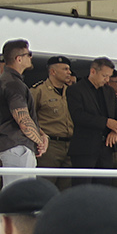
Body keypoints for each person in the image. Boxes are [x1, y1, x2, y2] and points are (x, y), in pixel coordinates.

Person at [0, 40, 46, 185]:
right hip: (17, 147)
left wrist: (41, 134)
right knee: (18, 197)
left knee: (24, 197)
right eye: (29, 54)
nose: (31, 57)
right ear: (19, 59)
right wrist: (39, 141)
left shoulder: (11, 81)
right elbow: (23, 120)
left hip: (18, 146)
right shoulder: (12, 83)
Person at [66, 57, 117, 172]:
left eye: (109, 76)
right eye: (104, 76)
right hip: (85, 148)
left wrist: (116, 130)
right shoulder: (76, 90)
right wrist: (106, 122)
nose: (107, 80)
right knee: (84, 187)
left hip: (106, 148)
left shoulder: (108, 91)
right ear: (93, 71)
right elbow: (78, 115)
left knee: (104, 187)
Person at [32, 56, 76, 186]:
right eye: (65, 69)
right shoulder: (38, 90)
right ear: (53, 72)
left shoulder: (72, 92)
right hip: (50, 146)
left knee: (66, 187)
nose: (69, 72)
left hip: (69, 145)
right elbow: (29, 117)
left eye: (69, 69)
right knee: (45, 185)